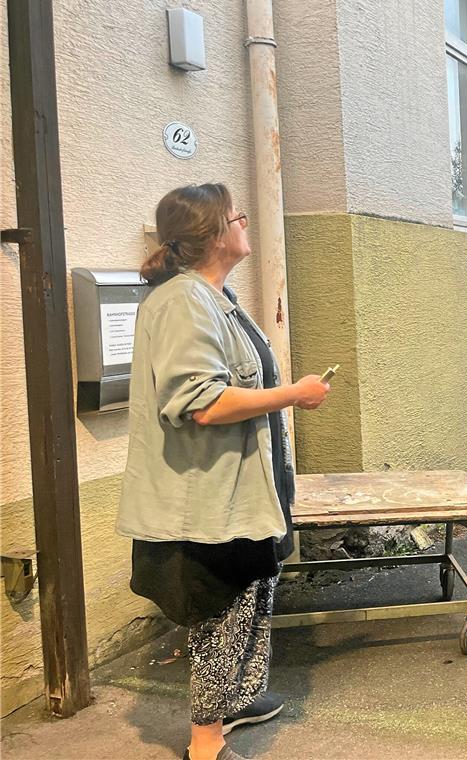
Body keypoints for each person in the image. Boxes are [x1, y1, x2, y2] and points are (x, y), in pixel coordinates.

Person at [117, 184, 331, 760]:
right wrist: (295, 395)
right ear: (213, 236)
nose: (245, 222)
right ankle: (205, 742)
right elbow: (203, 402)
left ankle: (236, 699)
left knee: (255, 592)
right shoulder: (185, 301)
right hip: (206, 501)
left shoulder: (216, 296)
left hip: (242, 487)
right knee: (222, 608)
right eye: (237, 216)